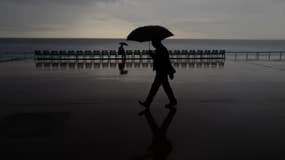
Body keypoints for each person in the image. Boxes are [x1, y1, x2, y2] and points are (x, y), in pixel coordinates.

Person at [139, 39, 177, 108]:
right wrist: (170, 72)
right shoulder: (161, 49)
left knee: (155, 87)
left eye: (153, 43)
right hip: (161, 71)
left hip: (161, 71)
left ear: (157, 43)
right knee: (165, 87)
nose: (153, 45)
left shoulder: (161, 49)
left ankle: (147, 103)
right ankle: (173, 101)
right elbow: (162, 60)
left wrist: (152, 55)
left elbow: (162, 60)